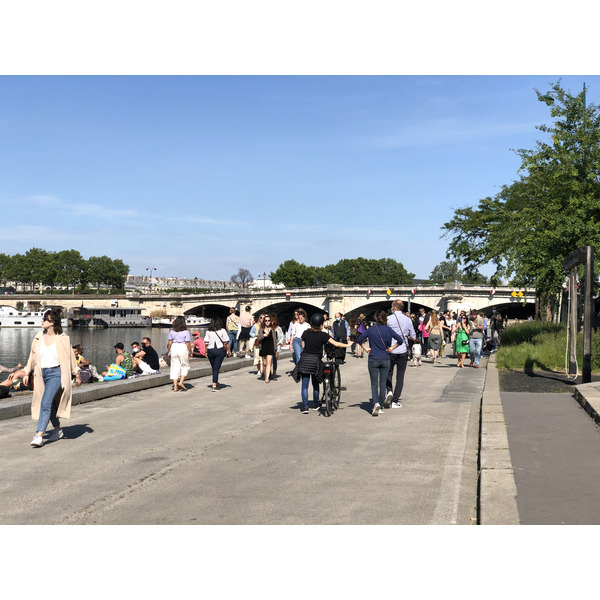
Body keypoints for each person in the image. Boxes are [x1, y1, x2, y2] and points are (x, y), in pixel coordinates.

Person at [10, 308, 81, 448]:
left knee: (45, 402)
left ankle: (39, 434)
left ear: (53, 322)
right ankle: (57, 430)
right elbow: (32, 358)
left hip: (56, 374)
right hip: (41, 374)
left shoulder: (63, 339)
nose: (42, 321)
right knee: (50, 403)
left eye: (45, 319)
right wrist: (26, 372)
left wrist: (77, 373)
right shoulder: (38, 337)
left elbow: (71, 358)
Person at [291, 313, 351, 414]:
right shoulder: (323, 335)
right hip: (315, 361)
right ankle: (315, 404)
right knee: (315, 384)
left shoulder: (305, 333)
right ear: (321, 324)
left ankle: (305, 406)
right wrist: (347, 345)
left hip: (305, 360)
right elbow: (335, 343)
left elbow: (302, 345)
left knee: (304, 385)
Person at [356, 309, 404, 417]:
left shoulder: (371, 330)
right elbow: (400, 340)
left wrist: (366, 348)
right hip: (386, 358)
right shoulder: (389, 330)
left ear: (375, 318)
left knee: (374, 384)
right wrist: (392, 348)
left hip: (373, 358)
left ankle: (376, 403)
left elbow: (359, 339)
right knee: (383, 384)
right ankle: (381, 406)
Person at [385, 300, 416, 408]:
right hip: (403, 350)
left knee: (388, 373)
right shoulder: (408, 320)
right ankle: (395, 400)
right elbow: (413, 335)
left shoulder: (388, 319)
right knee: (400, 376)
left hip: (390, 349)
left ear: (394, 308)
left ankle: (389, 391)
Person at [204, 317, 231, 391]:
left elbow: (206, 342)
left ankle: (215, 381)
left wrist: (206, 352)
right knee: (216, 368)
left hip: (210, 350)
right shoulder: (222, 331)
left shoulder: (208, 331)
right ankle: (214, 385)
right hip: (219, 350)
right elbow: (226, 342)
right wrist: (229, 351)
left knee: (214, 368)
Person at [167, 316, 193, 392]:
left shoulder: (172, 331)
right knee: (185, 366)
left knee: (174, 367)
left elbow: (170, 343)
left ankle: (175, 387)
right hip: (182, 347)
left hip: (174, 348)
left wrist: (169, 351)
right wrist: (190, 352)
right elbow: (188, 343)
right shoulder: (186, 332)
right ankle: (181, 382)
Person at [256, 314, 278, 383]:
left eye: (269, 320)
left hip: (270, 347)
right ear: (264, 322)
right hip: (263, 347)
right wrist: (263, 335)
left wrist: (275, 349)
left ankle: (267, 378)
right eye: (266, 321)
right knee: (264, 363)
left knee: (269, 363)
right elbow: (258, 338)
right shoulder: (261, 329)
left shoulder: (272, 330)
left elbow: (274, 339)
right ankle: (266, 375)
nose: (267, 322)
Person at [270, 313, 284, 378]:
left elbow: (281, 337)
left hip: (277, 344)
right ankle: (268, 371)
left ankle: (274, 370)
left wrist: (279, 343)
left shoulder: (279, 329)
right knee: (269, 358)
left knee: (275, 358)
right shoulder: (269, 328)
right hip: (270, 344)